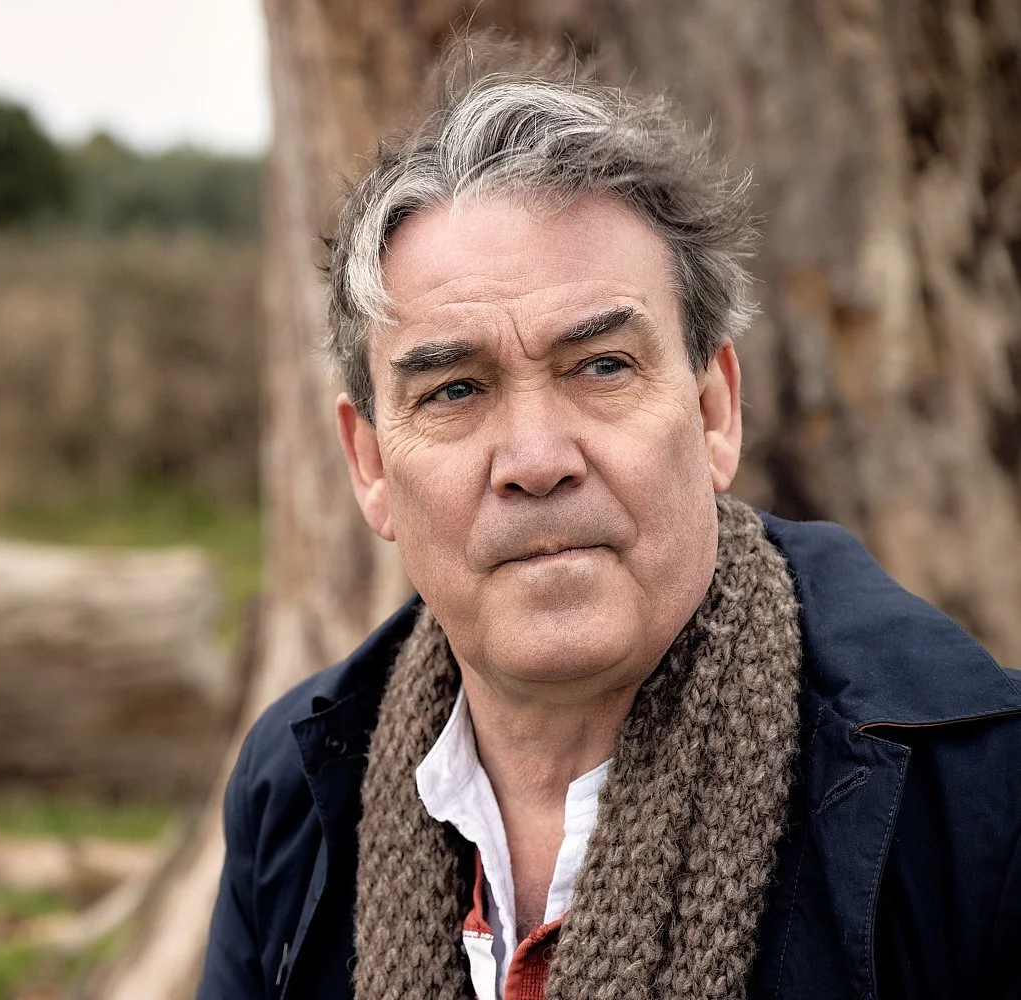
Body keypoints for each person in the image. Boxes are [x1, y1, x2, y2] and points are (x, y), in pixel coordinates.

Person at [195, 37, 1021, 1000]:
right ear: (372, 466)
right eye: (455, 390)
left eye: (600, 367)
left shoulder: (976, 800)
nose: (536, 461)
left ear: (713, 412)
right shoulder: (293, 791)